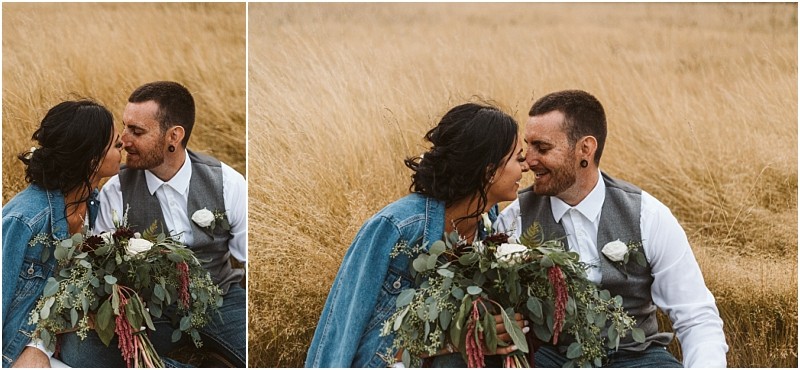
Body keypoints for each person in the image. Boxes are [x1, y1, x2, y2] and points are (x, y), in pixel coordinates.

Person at [495, 89, 728, 367]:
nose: (528, 161)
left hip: (639, 357)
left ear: (585, 149)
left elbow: (696, 316)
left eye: (542, 148)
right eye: (527, 145)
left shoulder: (648, 215)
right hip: (552, 359)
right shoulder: (514, 219)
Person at [305, 102, 530, 367]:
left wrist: (500, 327)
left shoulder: (490, 224)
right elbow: (341, 330)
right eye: (518, 158)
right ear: (489, 171)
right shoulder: (398, 227)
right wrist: (460, 339)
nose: (525, 167)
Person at [58, 81, 247, 367]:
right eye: (124, 127)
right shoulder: (115, 191)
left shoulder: (228, 183)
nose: (122, 140)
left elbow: (248, 258)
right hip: (149, 311)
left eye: (137, 131)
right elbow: (97, 266)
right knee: (81, 353)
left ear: (174, 136)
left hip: (219, 299)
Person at [2, 100, 122, 368]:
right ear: (92, 161)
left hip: (54, 338)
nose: (123, 145)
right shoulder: (24, 220)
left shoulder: (93, 201)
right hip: (14, 349)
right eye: (116, 144)